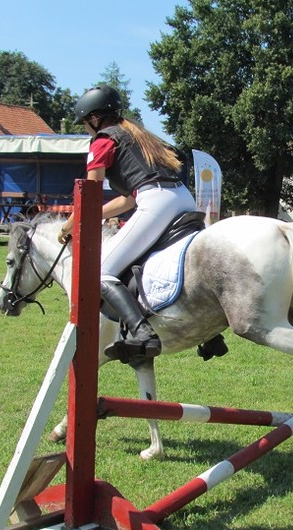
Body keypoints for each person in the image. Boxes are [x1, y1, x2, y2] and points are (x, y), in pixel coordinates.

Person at [61, 85, 197, 363]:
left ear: (94, 118)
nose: (87, 129)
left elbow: (90, 193)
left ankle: (141, 332)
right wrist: (92, 217)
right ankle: (208, 332)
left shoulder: (103, 141)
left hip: (157, 202)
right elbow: (126, 201)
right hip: (184, 198)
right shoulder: (140, 136)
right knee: (166, 264)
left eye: (85, 123)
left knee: (100, 273)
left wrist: (69, 226)